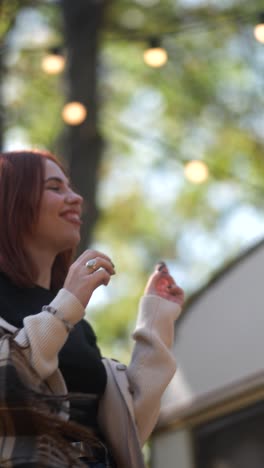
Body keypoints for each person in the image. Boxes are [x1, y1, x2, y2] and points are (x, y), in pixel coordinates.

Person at [0, 149, 184, 468]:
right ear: (11, 201)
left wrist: (156, 321)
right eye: (55, 188)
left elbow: (126, 432)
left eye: (71, 187)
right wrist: (67, 305)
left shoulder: (80, 327)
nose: (76, 198)